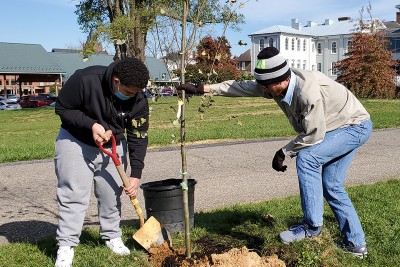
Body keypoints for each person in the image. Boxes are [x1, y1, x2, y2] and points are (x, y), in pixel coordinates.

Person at [177, 47, 372, 258]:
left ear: (281, 81)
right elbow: (239, 87)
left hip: (353, 126)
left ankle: (311, 226)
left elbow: (314, 135)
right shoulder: (273, 84)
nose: (264, 91)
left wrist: (284, 151)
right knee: (331, 184)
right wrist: (201, 88)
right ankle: (356, 244)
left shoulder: (307, 93)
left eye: (267, 87)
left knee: (308, 159)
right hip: (338, 126)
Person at [54, 57, 150, 267]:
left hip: (113, 144)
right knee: (73, 193)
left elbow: (138, 135)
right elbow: (62, 108)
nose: (133, 96)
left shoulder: (139, 98)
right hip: (75, 140)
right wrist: (91, 125)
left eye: (137, 92)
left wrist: (136, 174)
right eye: (129, 92)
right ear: (116, 81)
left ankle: (112, 236)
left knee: (111, 193)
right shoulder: (85, 79)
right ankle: (66, 245)